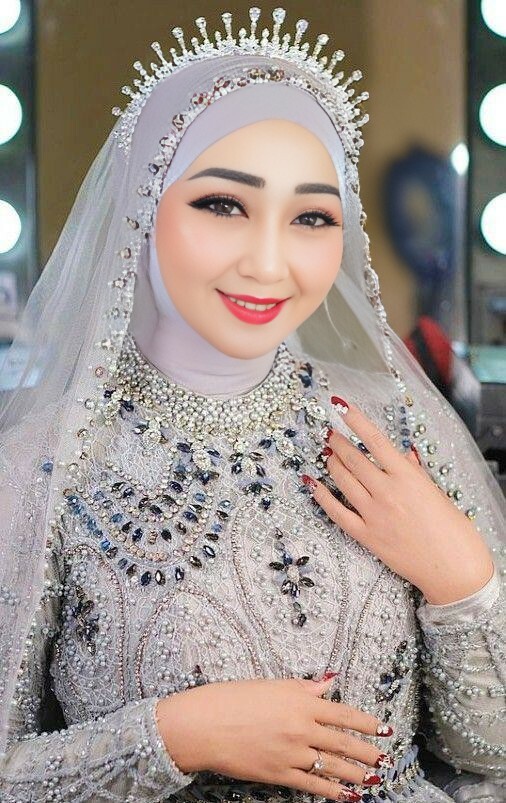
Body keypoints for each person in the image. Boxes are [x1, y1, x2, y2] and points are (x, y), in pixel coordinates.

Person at [0, 7, 504, 803]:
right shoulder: (48, 465)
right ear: (143, 205)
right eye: (222, 205)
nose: (269, 263)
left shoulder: (389, 428)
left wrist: (462, 581)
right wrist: (175, 736)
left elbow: (492, 752)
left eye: (311, 217)